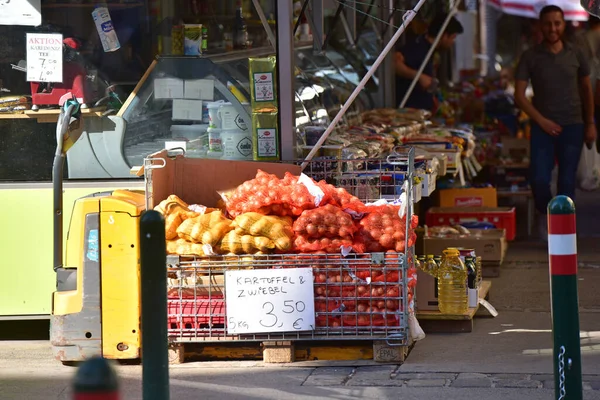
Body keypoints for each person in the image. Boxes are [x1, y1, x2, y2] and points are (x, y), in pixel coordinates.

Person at [514, 5, 597, 240]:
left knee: (567, 181)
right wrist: (542, 120)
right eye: (548, 23)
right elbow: (519, 96)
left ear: (563, 25)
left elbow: (586, 89)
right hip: (542, 127)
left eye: (557, 23)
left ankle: (562, 232)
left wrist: (590, 123)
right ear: (541, 26)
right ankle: (545, 212)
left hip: (573, 125)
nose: (553, 28)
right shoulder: (530, 56)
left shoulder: (576, 53)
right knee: (539, 179)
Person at [395, 13, 464, 110]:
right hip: (409, 112)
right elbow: (395, 63)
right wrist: (418, 76)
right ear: (444, 35)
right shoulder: (418, 47)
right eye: (452, 37)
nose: (453, 42)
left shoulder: (432, 51)